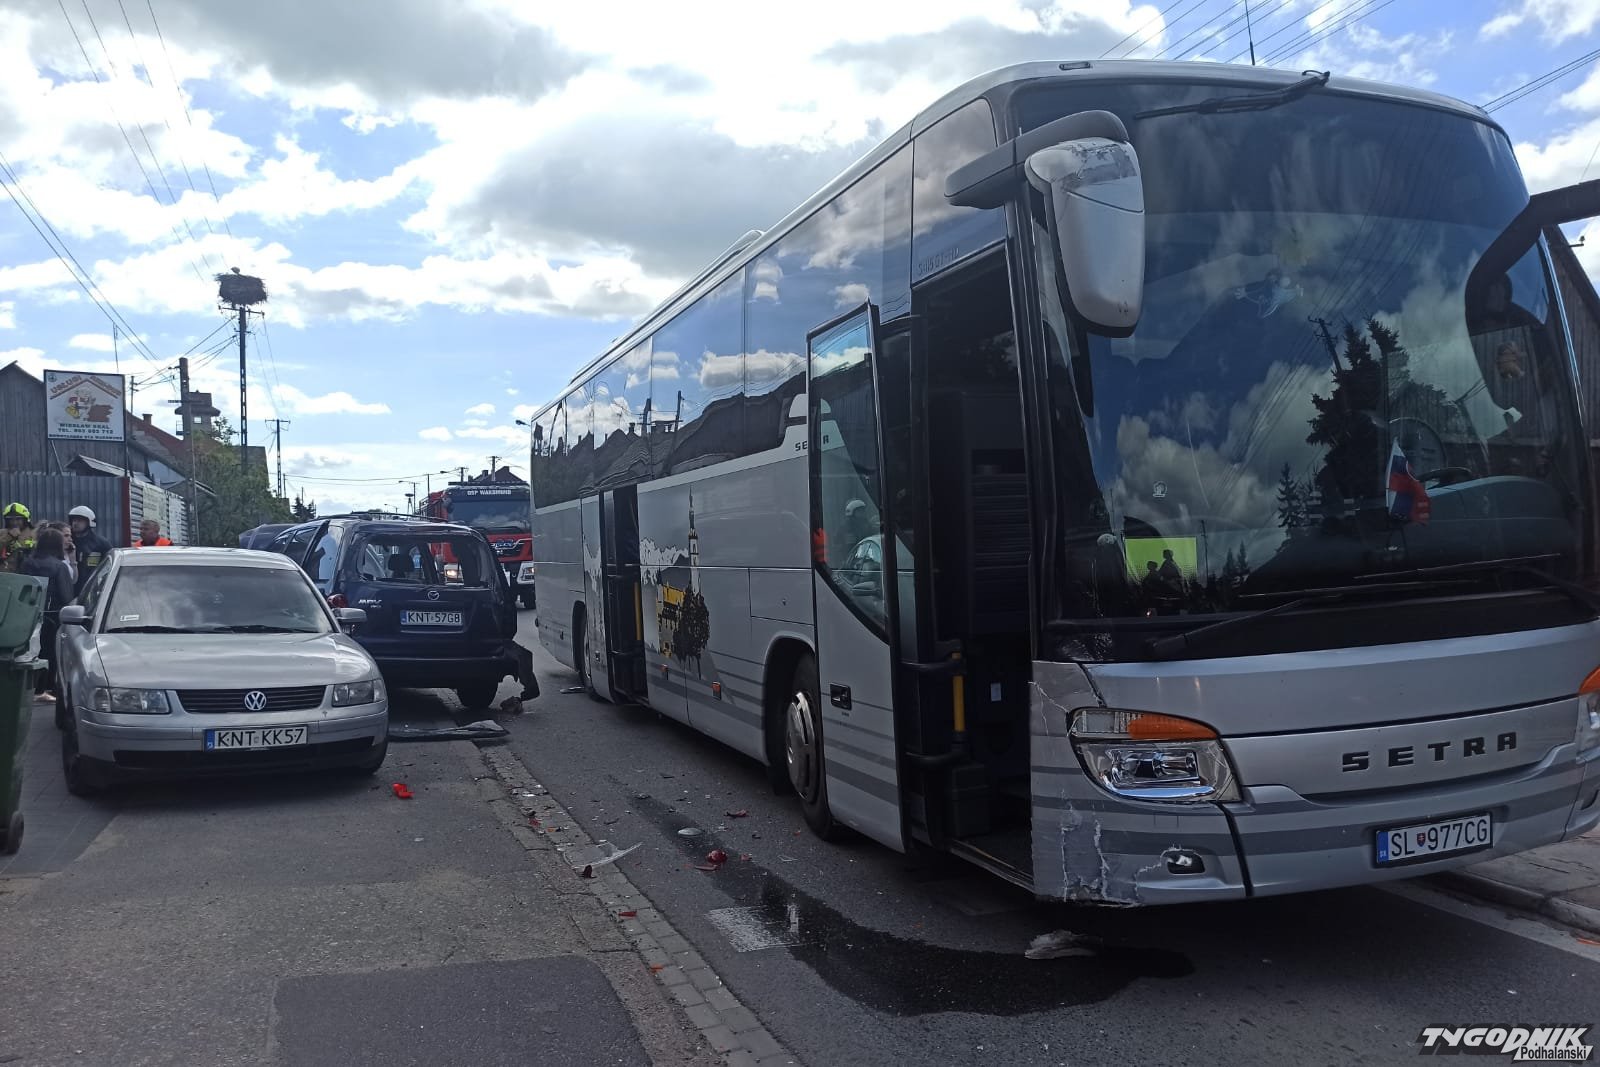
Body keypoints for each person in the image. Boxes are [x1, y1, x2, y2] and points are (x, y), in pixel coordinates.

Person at [21, 527, 74, 704]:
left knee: (31, 652)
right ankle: (46, 688)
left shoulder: (27, 563)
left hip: (29, 613)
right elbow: (66, 596)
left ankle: (32, 688)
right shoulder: (60, 566)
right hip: (52, 616)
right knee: (50, 653)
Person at [67, 506, 112, 597]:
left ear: (89, 522)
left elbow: (110, 565)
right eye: (74, 520)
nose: (75, 523)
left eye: (80, 520)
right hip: (70, 589)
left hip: (93, 590)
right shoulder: (67, 541)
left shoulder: (101, 543)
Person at [1, 502, 35, 573]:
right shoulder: (2, 533)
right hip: (6, 574)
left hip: (29, 574)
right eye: (11, 520)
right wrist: (9, 536)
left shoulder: (34, 533)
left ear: (25, 520)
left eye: (18, 519)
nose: (14, 522)